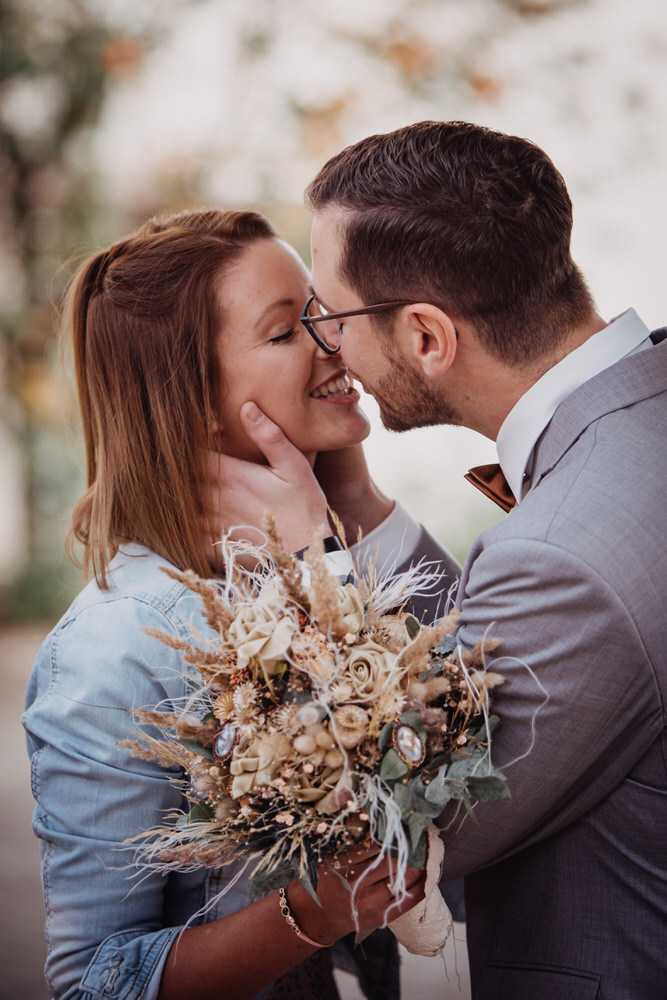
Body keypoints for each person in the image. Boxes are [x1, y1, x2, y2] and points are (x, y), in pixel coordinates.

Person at [213, 122, 667, 1000]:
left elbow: (412, 821)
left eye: (332, 317)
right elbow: (504, 660)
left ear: (426, 336)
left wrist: (322, 564)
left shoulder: (563, 557)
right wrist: (360, 504)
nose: (325, 347)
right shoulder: (635, 431)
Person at [23, 208, 461, 1000]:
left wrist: (348, 504)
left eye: (319, 313)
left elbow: (497, 703)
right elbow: (93, 983)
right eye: (285, 330)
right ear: (190, 398)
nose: (334, 341)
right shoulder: (117, 645)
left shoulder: (322, 554)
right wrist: (309, 911)